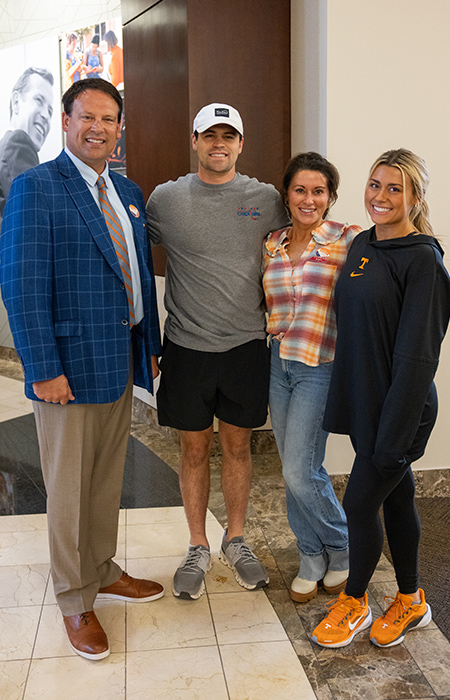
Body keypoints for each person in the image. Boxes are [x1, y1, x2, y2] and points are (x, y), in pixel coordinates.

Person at [0, 79, 164, 661]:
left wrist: (150, 344)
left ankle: (101, 568)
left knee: (103, 479)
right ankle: (74, 598)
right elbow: (20, 287)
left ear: (120, 128)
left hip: (119, 359)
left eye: (109, 119)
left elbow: (137, 274)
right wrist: (42, 367)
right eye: (87, 117)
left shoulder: (127, 190)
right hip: (65, 367)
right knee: (67, 489)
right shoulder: (36, 187)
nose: (99, 128)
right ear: (68, 122)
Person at [146, 103, 289, 600]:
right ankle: (196, 545)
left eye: (229, 135)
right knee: (193, 449)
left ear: (241, 144)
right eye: (210, 135)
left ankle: (237, 538)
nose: (219, 144)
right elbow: (129, 256)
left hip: (246, 346)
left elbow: (304, 240)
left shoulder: (266, 199)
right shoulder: (166, 200)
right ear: (195, 141)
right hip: (186, 348)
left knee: (237, 446)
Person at [311, 148, 450, 649]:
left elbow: (417, 358)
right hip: (367, 399)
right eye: (375, 185)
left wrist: (394, 431)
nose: (381, 196)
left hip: (402, 408)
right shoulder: (363, 244)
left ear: (415, 196)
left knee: (359, 500)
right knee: (398, 496)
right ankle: (412, 600)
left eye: (395, 188)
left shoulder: (423, 262)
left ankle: (355, 600)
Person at [263, 152, 361, 603]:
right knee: (294, 470)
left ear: (331, 197)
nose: (309, 199)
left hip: (320, 366)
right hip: (278, 363)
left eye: (318, 191)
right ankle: (311, 554)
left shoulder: (349, 239)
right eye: (300, 190)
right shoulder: (273, 242)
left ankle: (342, 545)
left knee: (300, 470)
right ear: (287, 194)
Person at [0, 67, 54, 219]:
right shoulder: (18, 143)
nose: (45, 115)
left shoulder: (5, 145)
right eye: (38, 100)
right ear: (16, 102)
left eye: (50, 111)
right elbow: (37, 217)